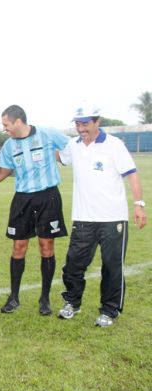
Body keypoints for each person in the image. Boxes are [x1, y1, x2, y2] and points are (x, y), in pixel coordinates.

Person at [57, 103, 147, 326]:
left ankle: (109, 311)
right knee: (73, 265)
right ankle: (73, 303)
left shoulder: (114, 145)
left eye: (85, 123)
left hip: (112, 219)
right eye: (78, 124)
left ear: (97, 122)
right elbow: (60, 157)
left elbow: (132, 174)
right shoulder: (73, 145)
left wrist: (139, 204)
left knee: (111, 267)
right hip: (83, 218)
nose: (81, 128)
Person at [0, 105, 69, 315]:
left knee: (46, 246)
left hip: (48, 196)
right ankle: (14, 297)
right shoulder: (8, 145)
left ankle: (44, 299)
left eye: (6, 124)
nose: (4, 128)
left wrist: (62, 158)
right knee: (18, 247)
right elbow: (4, 171)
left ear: (18, 121)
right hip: (22, 199)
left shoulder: (47, 133)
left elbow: (72, 148)